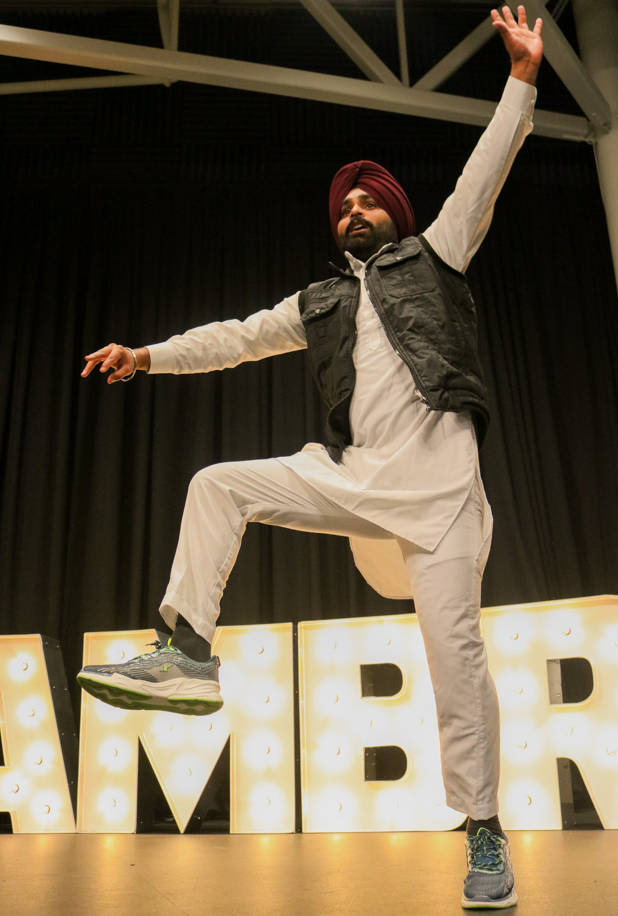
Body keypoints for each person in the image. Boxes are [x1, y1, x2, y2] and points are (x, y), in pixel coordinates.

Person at [76, 7, 543, 907]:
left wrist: (521, 81)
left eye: (368, 201)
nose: (355, 210)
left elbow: (483, 179)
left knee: (457, 665)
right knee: (218, 483)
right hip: (351, 475)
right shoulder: (320, 300)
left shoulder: (437, 256)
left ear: (395, 217)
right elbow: (236, 338)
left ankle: (483, 834)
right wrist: (147, 356)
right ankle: (186, 653)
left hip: (441, 494)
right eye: (345, 207)